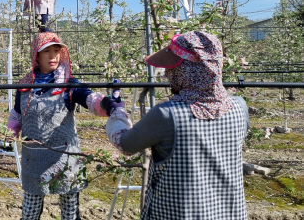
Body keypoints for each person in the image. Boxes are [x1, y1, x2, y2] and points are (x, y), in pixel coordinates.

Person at [103, 31, 249, 219]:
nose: (167, 73)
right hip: (229, 213)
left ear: (187, 69)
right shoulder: (239, 107)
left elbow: (126, 144)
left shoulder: (167, 114)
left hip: (178, 213)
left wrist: (117, 113)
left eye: (172, 68)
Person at [6, 30, 108, 220]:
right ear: (37, 54)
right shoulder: (25, 85)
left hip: (65, 158)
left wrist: (105, 104)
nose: (53, 56)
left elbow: (88, 97)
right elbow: (17, 113)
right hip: (34, 158)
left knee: (69, 211)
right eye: (47, 51)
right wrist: (10, 132)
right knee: (30, 212)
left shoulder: (68, 83)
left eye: (56, 50)